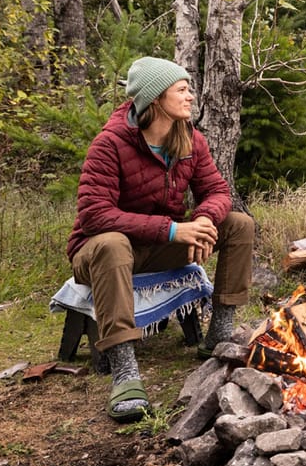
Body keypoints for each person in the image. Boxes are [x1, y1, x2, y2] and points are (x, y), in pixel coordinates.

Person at [66, 56, 255, 421]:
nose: (190, 96)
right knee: (112, 242)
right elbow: (94, 215)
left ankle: (219, 331)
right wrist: (173, 230)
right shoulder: (109, 144)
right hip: (99, 253)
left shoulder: (189, 139)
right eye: (181, 90)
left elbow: (218, 191)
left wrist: (202, 221)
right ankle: (124, 370)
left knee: (238, 224)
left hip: (155, 248)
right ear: (155, 99)